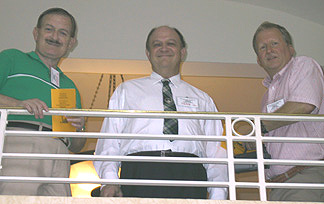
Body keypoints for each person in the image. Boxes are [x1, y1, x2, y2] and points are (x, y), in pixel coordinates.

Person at [94, 26, 228, 200]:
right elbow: (110, 140)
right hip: (139, 173)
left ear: (182, 52)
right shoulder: (126, 90)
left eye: (171, 43)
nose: (164, 48)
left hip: (190, 175)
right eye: (157, 44)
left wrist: (219, 192)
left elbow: (214, 149)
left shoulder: (203, 99)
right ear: (148, 54)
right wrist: (109, 180)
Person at [0, 8, 86, 196]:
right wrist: (18, 104)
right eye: (49, 29)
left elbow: (78, 146)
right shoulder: (11, 58)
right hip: (21, 141)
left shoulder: (69, 85)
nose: (55, 37)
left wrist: (79, 128)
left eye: (63, 33)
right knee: (16, 199)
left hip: (61, 153)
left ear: (71, 42)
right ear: (36, 33)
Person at [252, 21, 324, 202]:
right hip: (278, 185)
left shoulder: (303, 65)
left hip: (305, 177)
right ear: (258, 60)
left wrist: (251, 128)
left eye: (274, 43)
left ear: (290, 49)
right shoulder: (266, 96)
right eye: (262, 47)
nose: (269, 50)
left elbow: (303, 106)